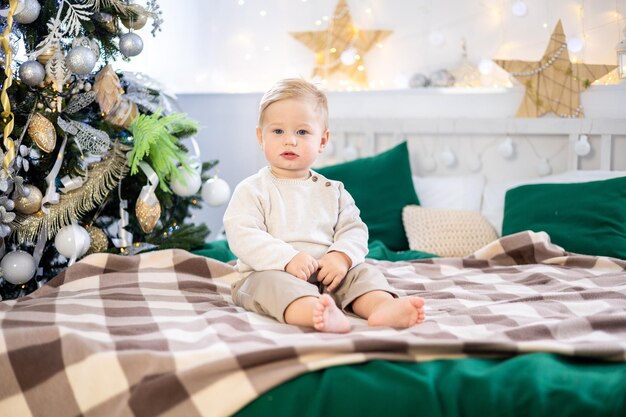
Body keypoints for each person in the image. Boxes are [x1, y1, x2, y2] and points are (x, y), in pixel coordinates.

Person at [223, 78, 425, 333]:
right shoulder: (253, 190)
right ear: (260, 137)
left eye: (302, 132)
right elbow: (243, 235)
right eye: (278, 131)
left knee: (363, 274)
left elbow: (354, 230)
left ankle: (381, 307)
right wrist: (288, 259)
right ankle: (314, 311)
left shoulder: (334, 191)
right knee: (270, 285)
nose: (290, 141)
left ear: (322, 140)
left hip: (328, 274)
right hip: (269, 271)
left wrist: (340, 257)